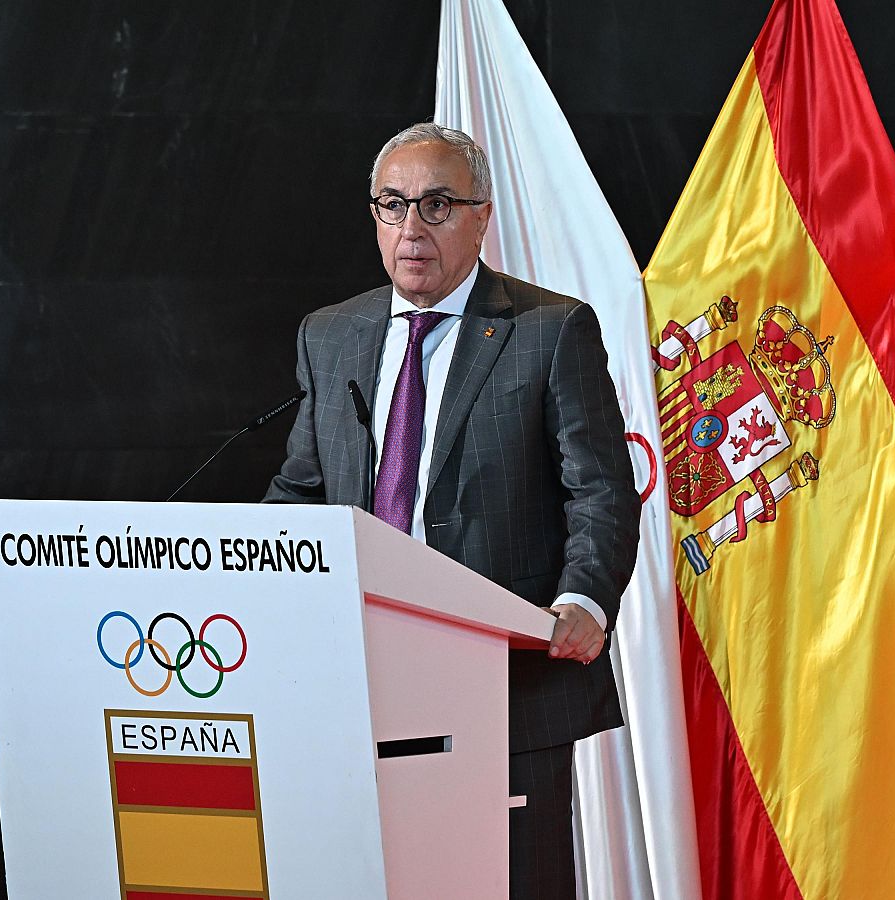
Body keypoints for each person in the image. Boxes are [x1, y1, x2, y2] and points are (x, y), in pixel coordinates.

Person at [265, 122, 640, 898]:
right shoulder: (331, 335)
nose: (411, 229)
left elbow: (600, 491)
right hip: (360, 679)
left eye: (436, 205)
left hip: (505, 686)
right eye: (393, 206)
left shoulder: (549, 331)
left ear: (481, 217)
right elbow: (302, 495)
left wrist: (582, 601)